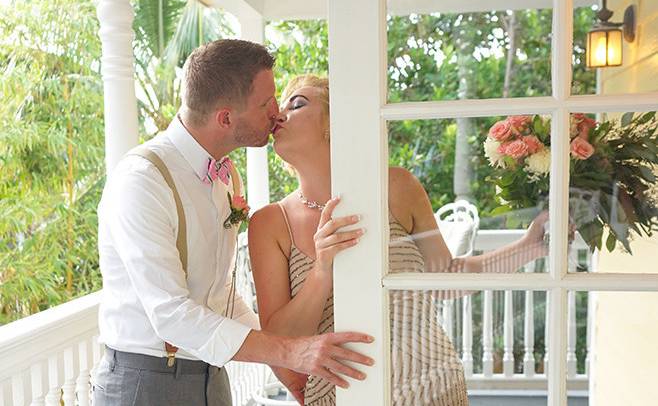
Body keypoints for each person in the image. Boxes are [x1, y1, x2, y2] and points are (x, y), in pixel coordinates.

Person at [94, 42, 373, 406]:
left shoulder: (227, 179)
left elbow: (221, 296)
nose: (277, 113)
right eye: (266, 103)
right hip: (146, 383)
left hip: (212, 376)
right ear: (225, 118)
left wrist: (287, 369)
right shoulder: (143, 180)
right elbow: (171, 315)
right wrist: (292, 353)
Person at [248, 74, 550, 405]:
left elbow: (445, 278)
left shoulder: (397, 187)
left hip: (434, 391)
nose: (279, 114)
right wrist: (322, 270)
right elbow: (281, 345)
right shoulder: (270, 224)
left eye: (298, 103)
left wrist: (530, 247)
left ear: (339, 120)